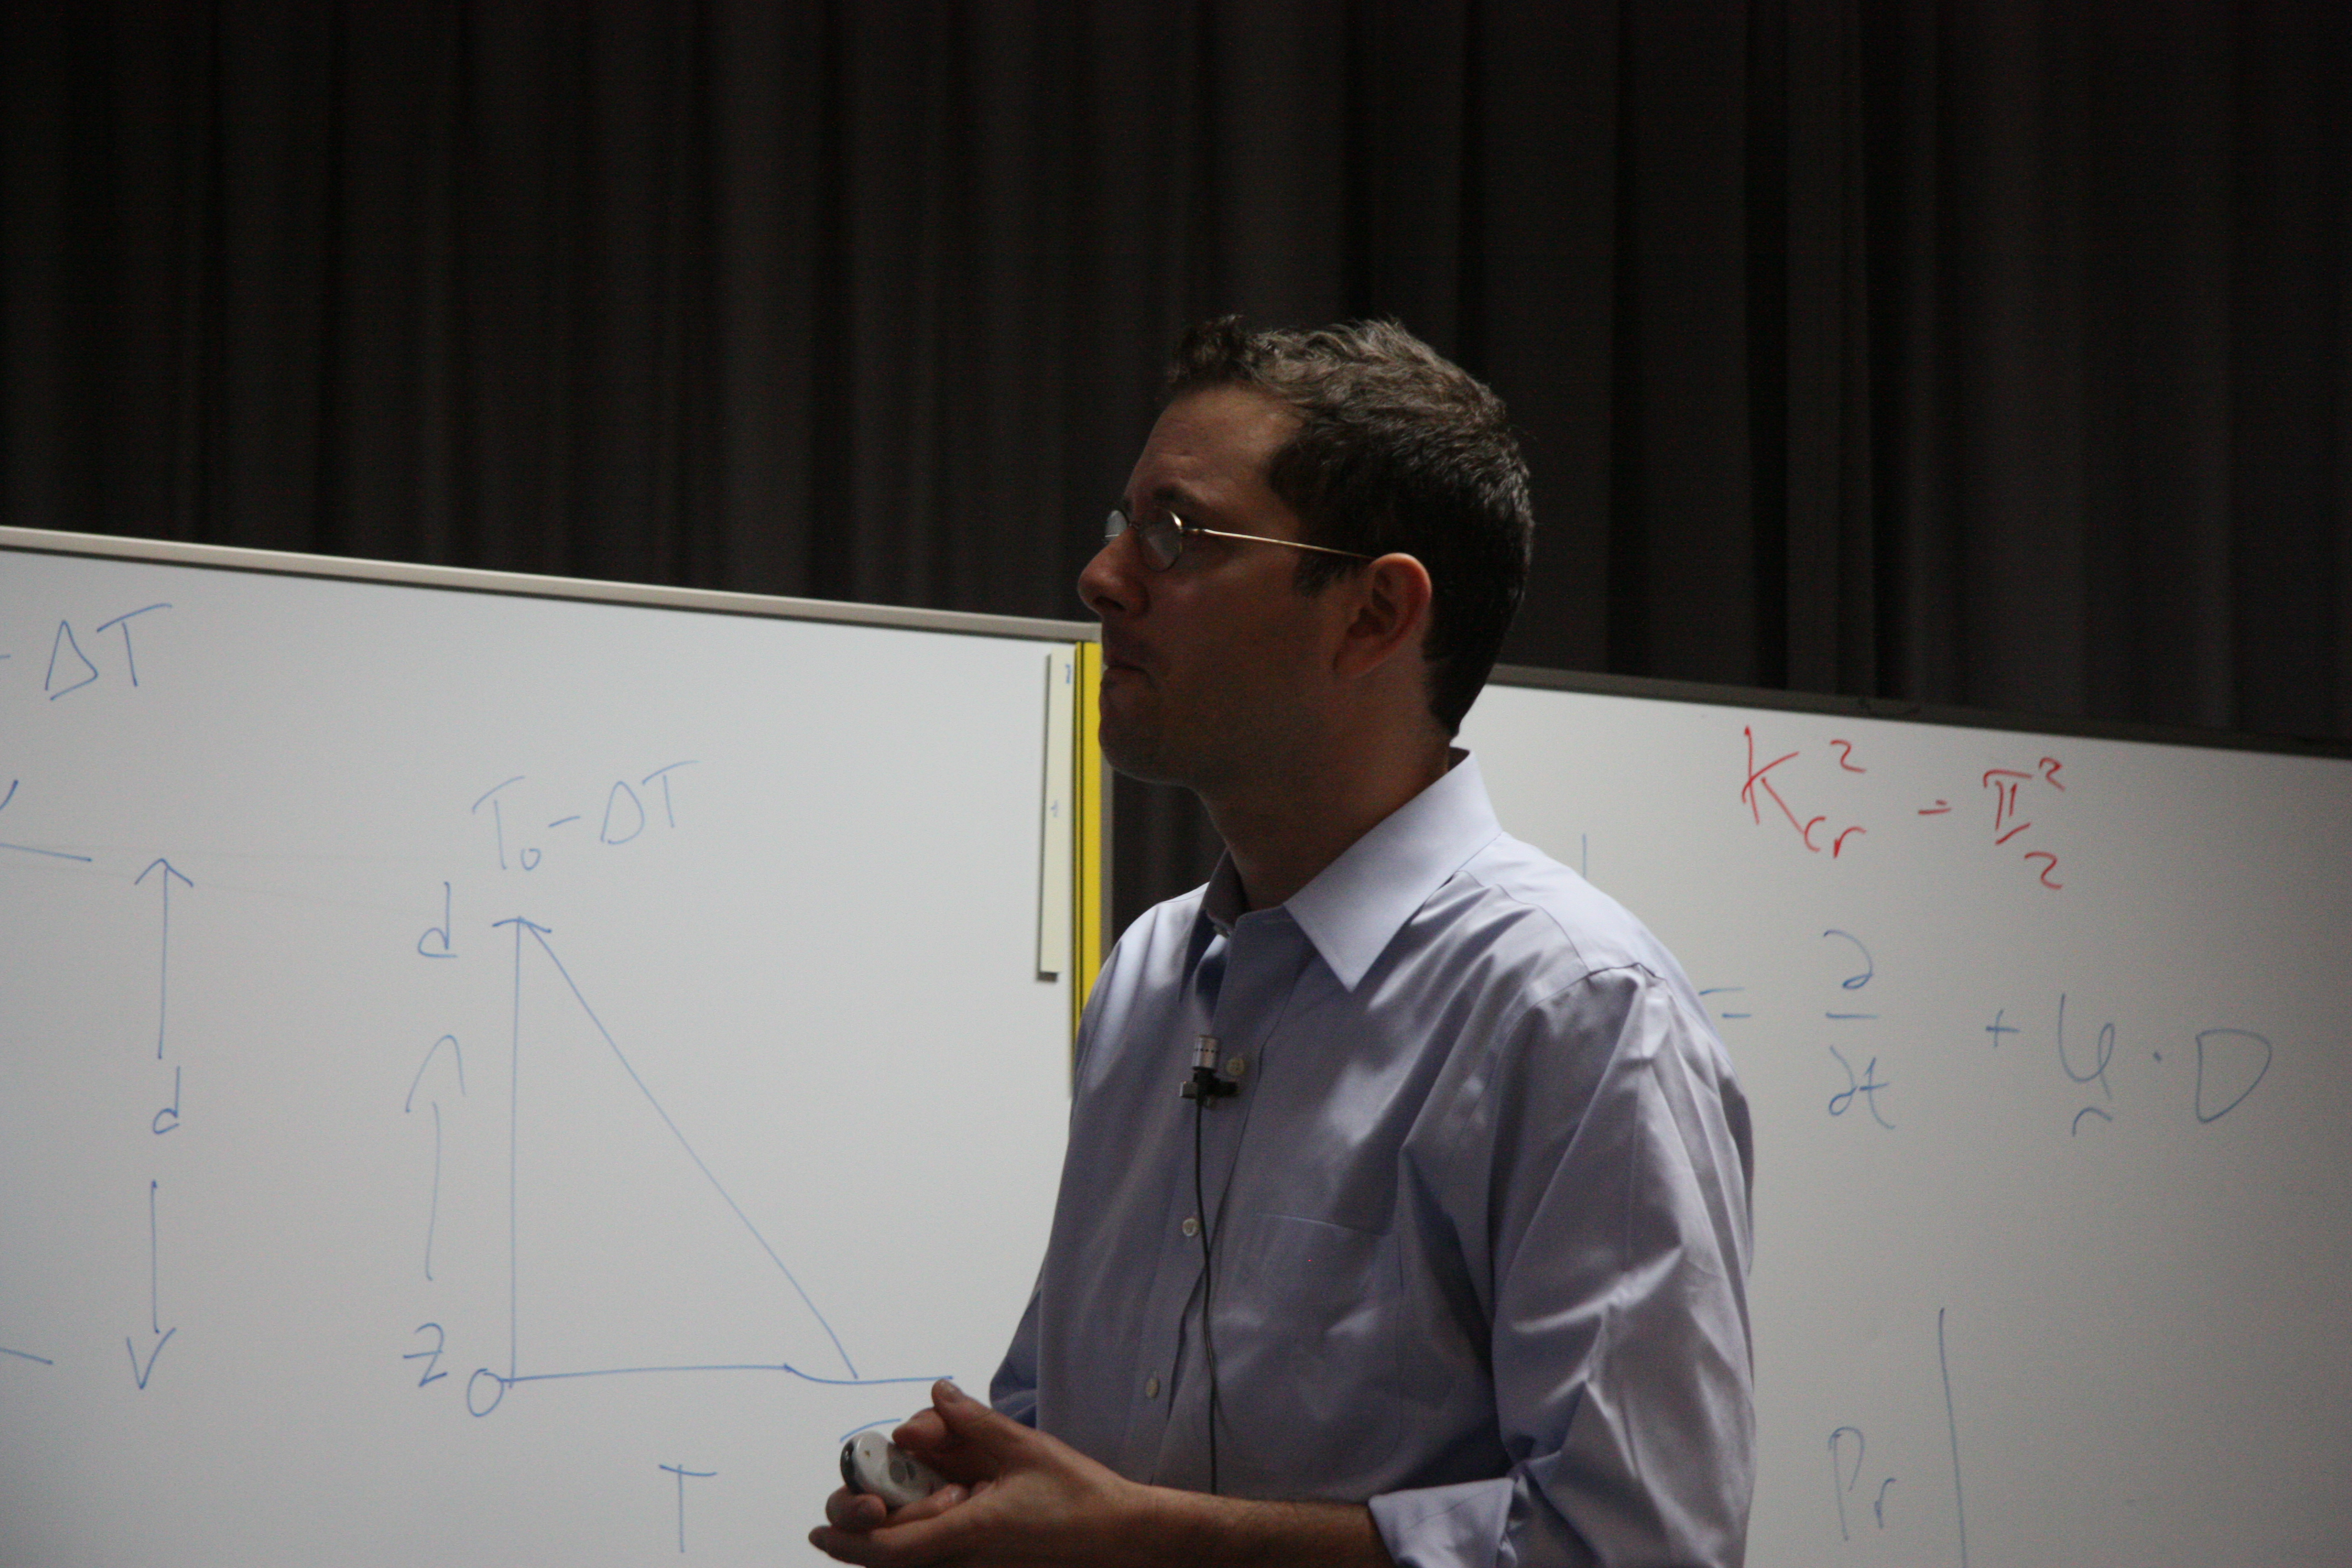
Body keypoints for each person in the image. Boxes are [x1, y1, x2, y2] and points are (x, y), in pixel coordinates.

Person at [813, 318, 1755, 1567]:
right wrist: (982, 1495)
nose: (1103, 577)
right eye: (1123, 521)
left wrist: (1141, 1540)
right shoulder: (1153, 977)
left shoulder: (1575, 1009)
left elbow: (1637, 1548)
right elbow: (1070, 1429)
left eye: (1178, 535)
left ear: (1374, 614)